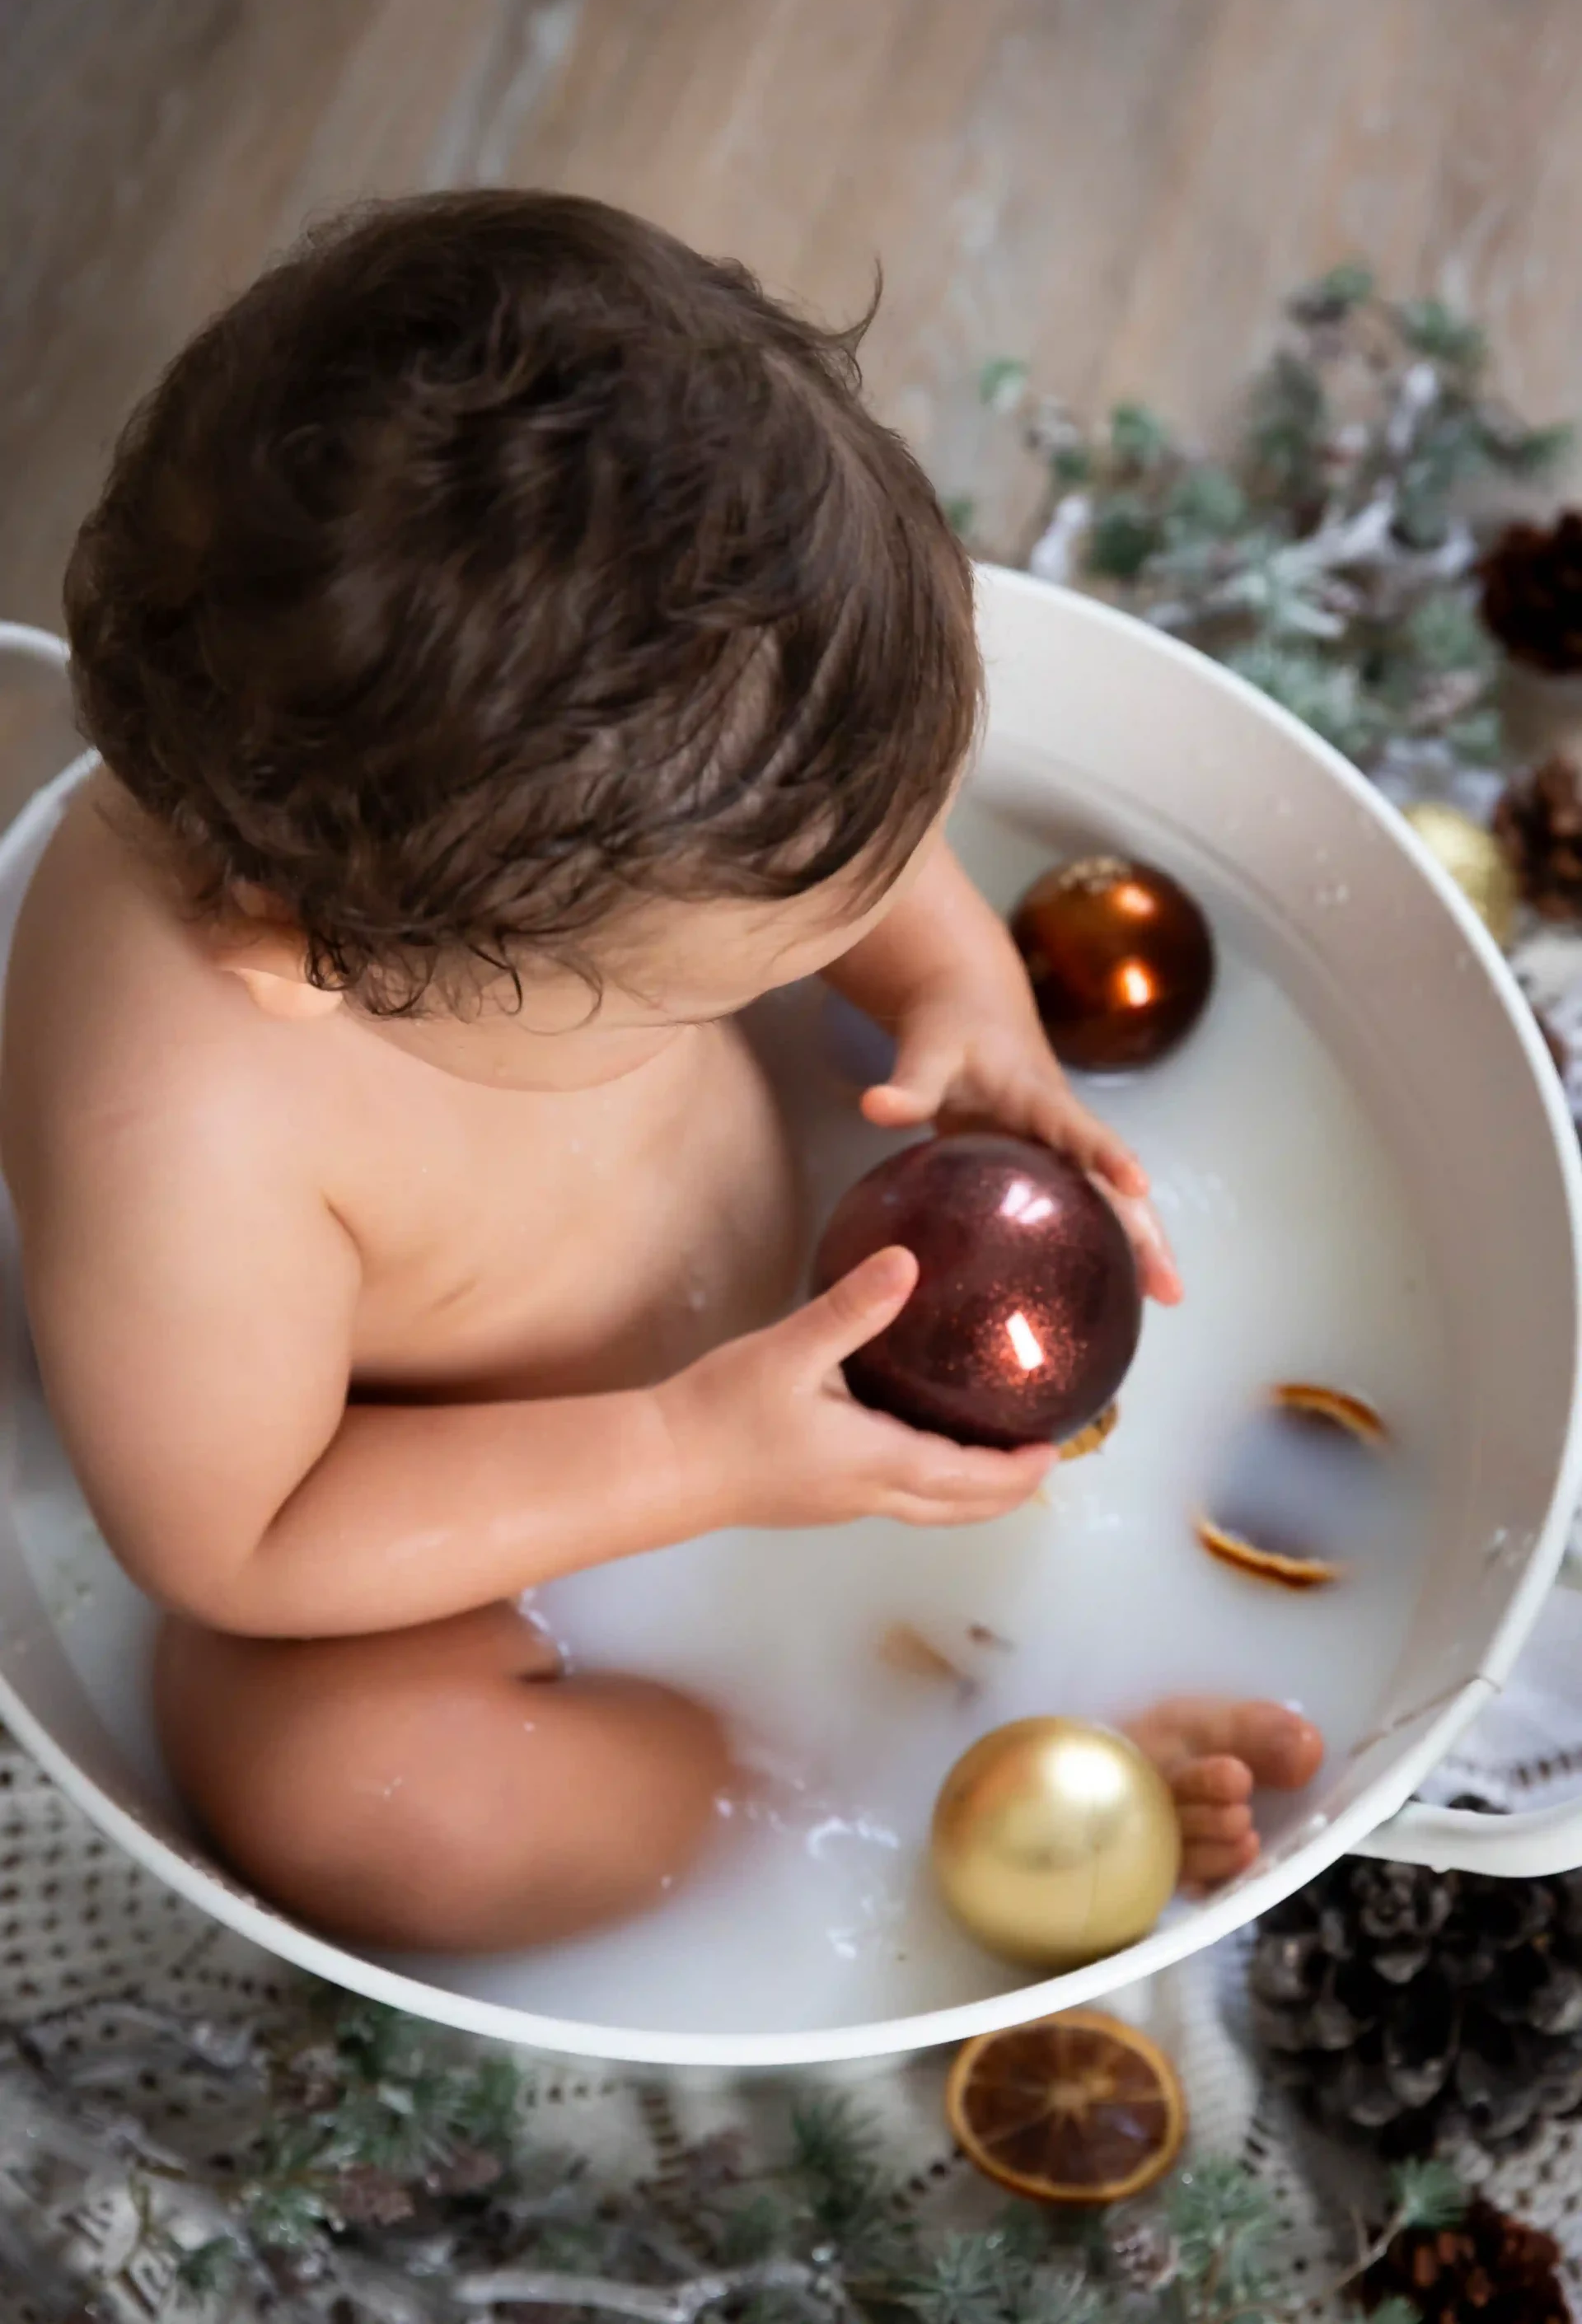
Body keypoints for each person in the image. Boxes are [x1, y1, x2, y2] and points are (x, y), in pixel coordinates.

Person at [0, 193, 1322, 1953]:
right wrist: (686, 1455)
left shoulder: (572, 791)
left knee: (767, 852)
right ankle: (869, 1762)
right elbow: (236, 1542)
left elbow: (795, 830)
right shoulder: (175, 1123)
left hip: (757, 1331)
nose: (833, 935)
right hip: (462, 1515)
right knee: (360, 1795)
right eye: (728, 970)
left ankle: (990, 1681)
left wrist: (965, 990)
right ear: (321, 965)